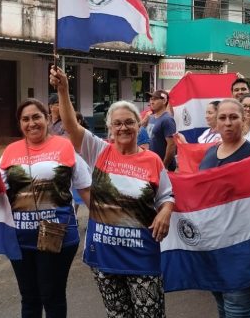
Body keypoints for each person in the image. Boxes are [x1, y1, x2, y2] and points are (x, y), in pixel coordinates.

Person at [52, 66, 174, 318]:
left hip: (142, 255)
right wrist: (63, 90)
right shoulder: (99, 151)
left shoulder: (152, 160)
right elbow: (71, 126)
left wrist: (166, 212)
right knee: (117, 315)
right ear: (109, 128)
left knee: (150, 314)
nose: (123, 128)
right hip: (104, 254)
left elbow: (166, 196)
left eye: (129, 122)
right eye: (117, 123)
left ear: (138, 124)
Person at [0, 100, 91, 318]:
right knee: (29, 298)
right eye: (25, 119)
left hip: (58, 237)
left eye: (36, 117)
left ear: (47, 119)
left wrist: (109, 218)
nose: (31, 123)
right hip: (20, 239)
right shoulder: (10, 151)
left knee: (52, 296)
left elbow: (85, 189)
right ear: (20, 124)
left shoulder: (64, 146)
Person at [198, 99, 250, 317]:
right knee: (222, 308)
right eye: (223, 118)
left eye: (234, 117)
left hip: (244, 249)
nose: (228, 123)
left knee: (237, 310)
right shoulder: (209, 154)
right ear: (215, 123)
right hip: (213, 246)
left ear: (243, 120)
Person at [147, 90, 177, 171]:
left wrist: (164, 166)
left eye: (155, 99)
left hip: (163, 168)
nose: (151, 102)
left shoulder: (167, 119)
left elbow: (171, 145)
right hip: (152, 164)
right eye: (151, 99)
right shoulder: (152, 118)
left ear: (164, 101)